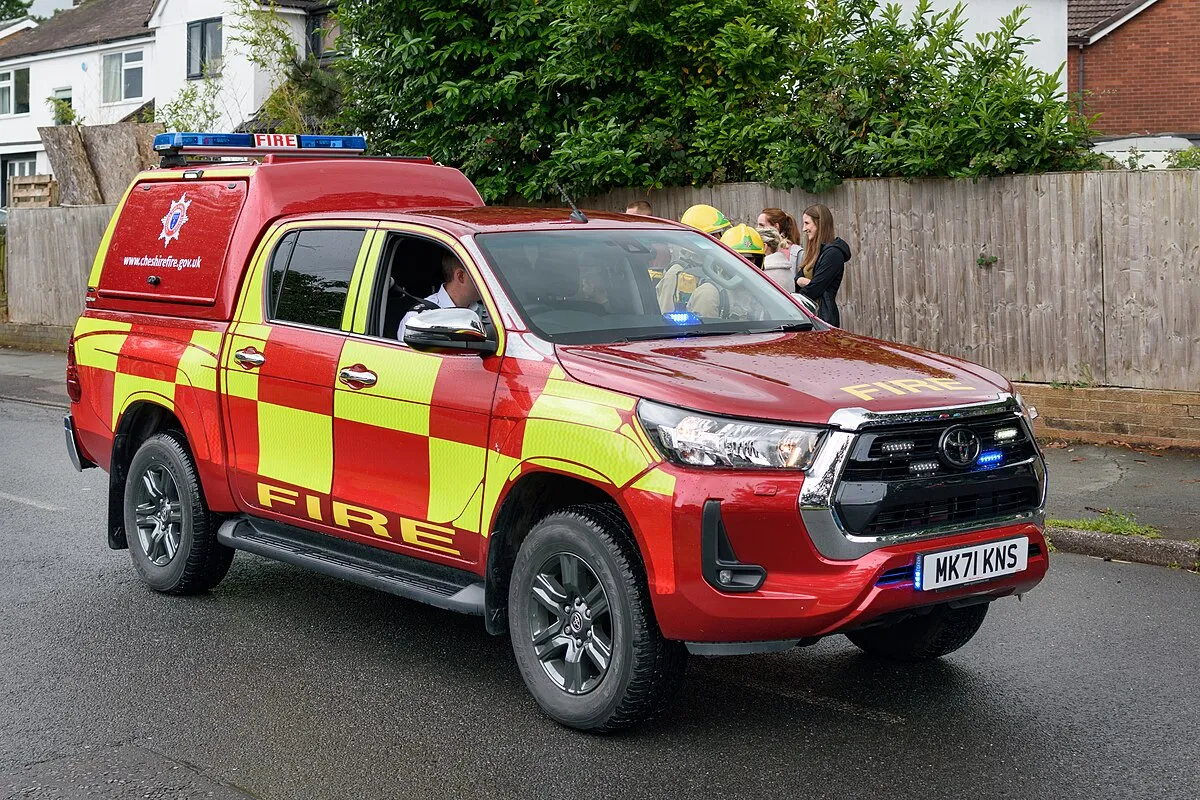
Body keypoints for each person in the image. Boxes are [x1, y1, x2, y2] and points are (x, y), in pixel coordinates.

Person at [658, 204, 733, 312]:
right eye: (715, 235)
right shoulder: (675, 274)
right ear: (697, 239)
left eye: (720, 234)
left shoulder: (719, 266)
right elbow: (666, 314)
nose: (720, 239)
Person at [398, 253, 483, 341]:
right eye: (481, 275)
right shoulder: (419, 318)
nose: (487, 282)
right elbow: (408, 355)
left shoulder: (488, 312)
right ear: (461, 276)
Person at [795, 204, 850, 326]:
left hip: (823, 317)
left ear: (819, 224)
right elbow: (797, 278)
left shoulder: (833, 254)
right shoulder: (815, 251)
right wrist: (805, 281)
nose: (804, 229)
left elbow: (815, 289)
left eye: (807, 223)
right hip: (809, 314)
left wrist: (807, 283)